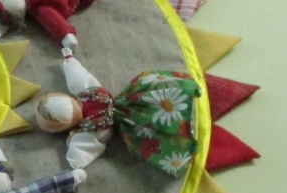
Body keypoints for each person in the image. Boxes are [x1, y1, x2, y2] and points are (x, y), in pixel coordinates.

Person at [35, 49, 202, 176]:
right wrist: (69, 60)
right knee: (160, 100)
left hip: (127, 120)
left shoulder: (91, 126)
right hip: (130, 100)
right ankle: (182, 100)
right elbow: (79, 77)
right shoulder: (89, 92)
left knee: (153, 131)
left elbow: (84, 146)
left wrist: (75, 162)